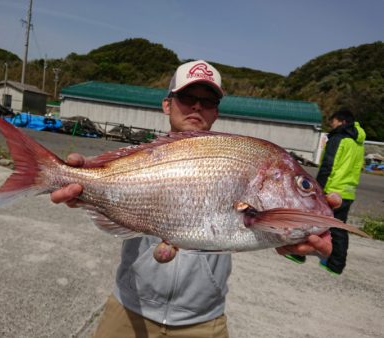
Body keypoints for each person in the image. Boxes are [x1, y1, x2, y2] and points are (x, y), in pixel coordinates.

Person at [51, 60, 336, 337]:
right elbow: (107, 174)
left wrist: (298, 241)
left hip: (203, 323)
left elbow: (266, 232)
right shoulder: (141, 157)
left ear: (216, 113)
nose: (197, 106)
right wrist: (85, 181)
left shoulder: (237, 157)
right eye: (187, 97)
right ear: (167, 104)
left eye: (208, 101)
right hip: (129, 309)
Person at [287, 109, 365, 275]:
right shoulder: (358, 144)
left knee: (309, 221)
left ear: (342, 121)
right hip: (348, 191)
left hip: (332, 190)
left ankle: (299, 254)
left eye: (334, 122)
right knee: (338, 229)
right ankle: (336, 265)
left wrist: (317, 189)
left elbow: (328, 165)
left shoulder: (338, 138)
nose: (332, 125)